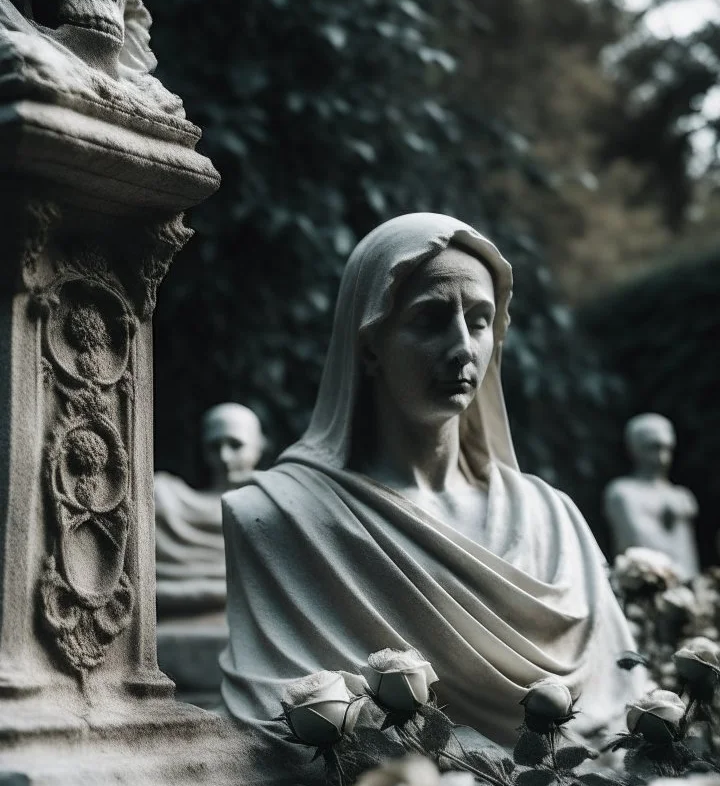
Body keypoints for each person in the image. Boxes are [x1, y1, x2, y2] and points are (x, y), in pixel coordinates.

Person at [221, 213, 643, 751]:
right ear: (369, 343)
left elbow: (627, 704)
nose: (464, 346)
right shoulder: (280, 515)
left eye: (481, 320)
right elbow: (277, 730)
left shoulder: (553, 518)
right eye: (431, 318)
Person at [155, 403, 264, 616]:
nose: (224, 457)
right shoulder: (170, 499)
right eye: (215, 447)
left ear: (258, 445)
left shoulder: (274, 509)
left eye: (236, 445)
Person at [604, 413, 700, 582]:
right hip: (646, 587)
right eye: (653, 447)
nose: (662, 457)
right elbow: (637, 542)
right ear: (635, 448)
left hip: (687, 587)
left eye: (667, 448)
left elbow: (687, 552)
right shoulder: (622, 493)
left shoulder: (682, 496)